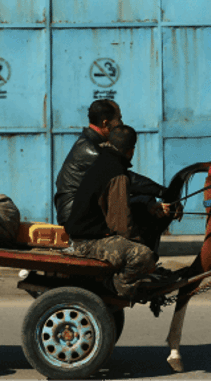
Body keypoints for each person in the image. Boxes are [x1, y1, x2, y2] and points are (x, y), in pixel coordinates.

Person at [57, 124, 178, 297]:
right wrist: (143, 248)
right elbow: (122, 225)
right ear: (131, 149)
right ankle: (116, 287)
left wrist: (148, 206)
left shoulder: (104, 162)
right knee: (142, 255)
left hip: (84, 236)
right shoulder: (116, 173)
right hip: (87, 244)